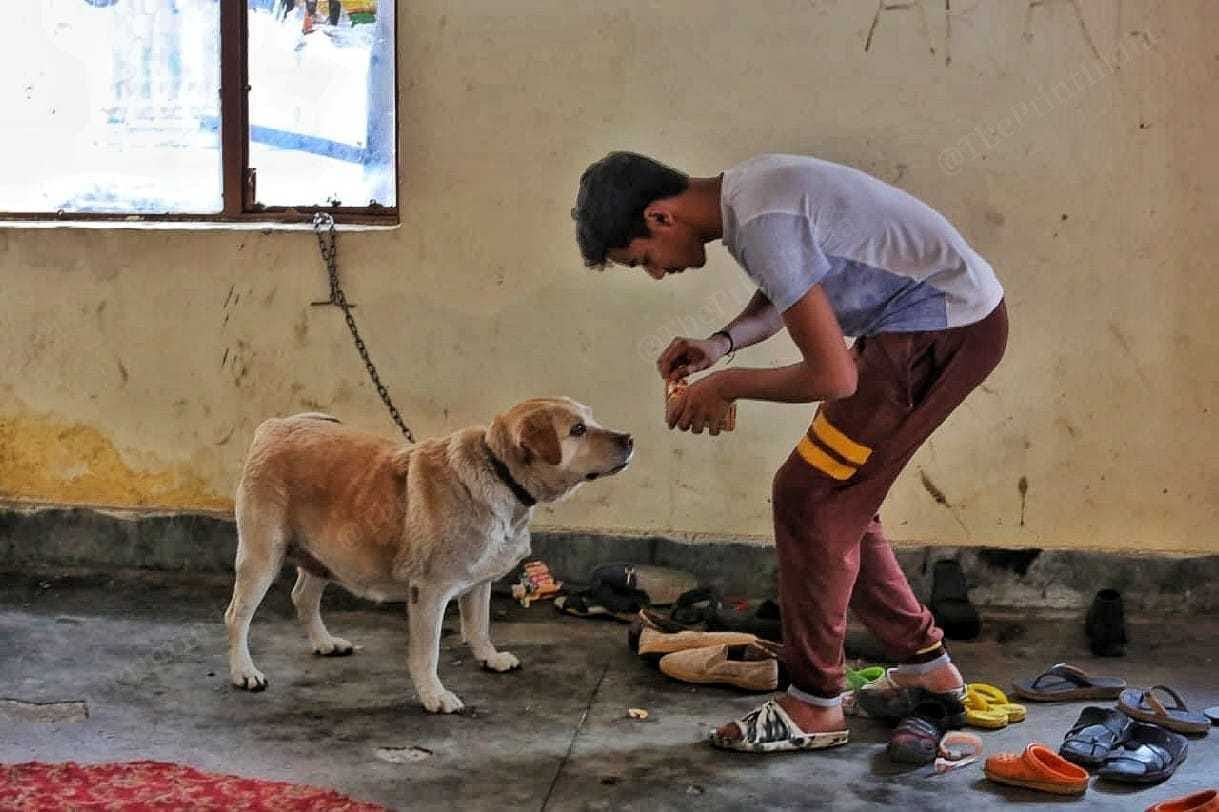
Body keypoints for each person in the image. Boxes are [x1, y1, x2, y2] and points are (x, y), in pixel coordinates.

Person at [571, 152, 1008, 752]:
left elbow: (834, 377)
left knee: (814, 499)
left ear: (661, 217)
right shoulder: (750, 195)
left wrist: (728, 385)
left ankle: (815, 704)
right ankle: (925, 669)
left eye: (642, 258)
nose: (653, 272)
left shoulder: (760, 222)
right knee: (835, 500)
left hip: (941, 331)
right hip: (928, 327)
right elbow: (791, 289)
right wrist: (720, 344)